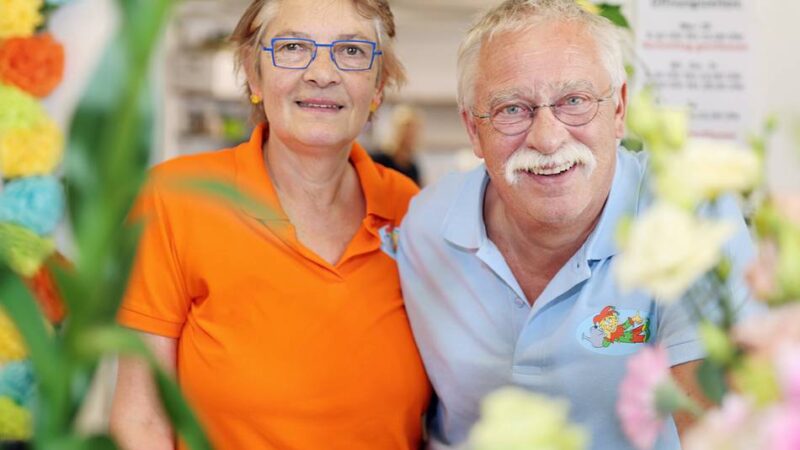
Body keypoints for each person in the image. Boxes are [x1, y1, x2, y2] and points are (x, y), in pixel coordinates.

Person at [397, 1, 756, 449]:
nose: (547, 138)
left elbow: (718, 433)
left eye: (574, 101)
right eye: (512, 109)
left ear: (619, 108)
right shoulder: (425, 229)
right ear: (473, 130)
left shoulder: (688, 215)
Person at [110, 0, 430, 449]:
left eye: (353, 51)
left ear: (377, 85)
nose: (323, 73)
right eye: (294, 47)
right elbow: (140, 416)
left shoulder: (414, 213)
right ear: (253, 73)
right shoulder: (178, 197)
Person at [371, 104, 422, 185]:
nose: (410, 136)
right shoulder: (379, 161)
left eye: (413, 132)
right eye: (406, 130)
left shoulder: (413, 168)